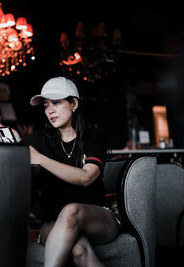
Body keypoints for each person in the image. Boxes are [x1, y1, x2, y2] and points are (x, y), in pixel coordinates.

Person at [21, 77, 121, 267]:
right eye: (46, 105)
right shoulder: (38, 140)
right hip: (53, 222)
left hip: (97, 218)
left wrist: (40, 159)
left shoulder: (94, 137)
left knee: (71, 210)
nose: (50, 110)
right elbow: (9, 148)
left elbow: (86, 177)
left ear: (73, 103)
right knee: (80, 250)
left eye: (56, 103)